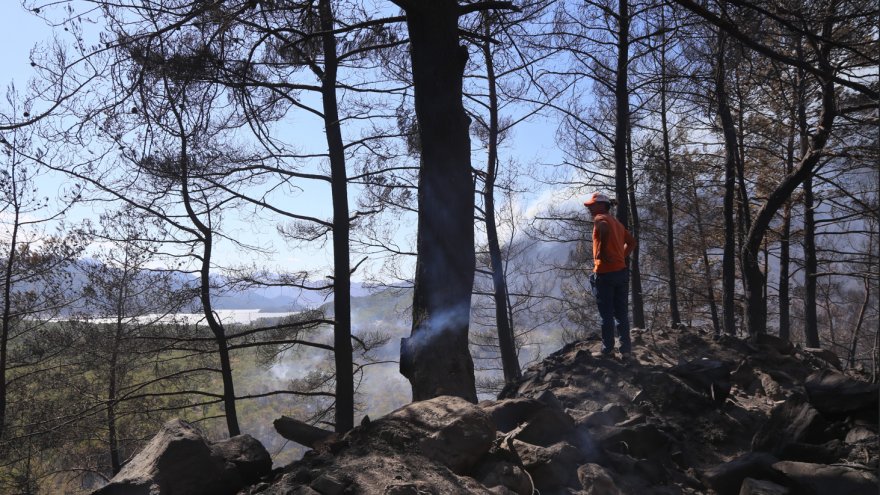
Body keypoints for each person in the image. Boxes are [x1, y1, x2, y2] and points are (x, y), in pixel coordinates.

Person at [584, 192, 637, 359]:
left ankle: (607, 350)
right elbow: (632, 242)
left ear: (602, 205)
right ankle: (626, 350)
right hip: (620, 271)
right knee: (621, 313)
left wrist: (601, 251)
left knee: (606, 314)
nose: (590, 208)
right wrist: (622, 256)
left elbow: (603, 228)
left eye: (593, 205)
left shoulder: (600, 218)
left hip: (604, 273)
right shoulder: (618, 223)